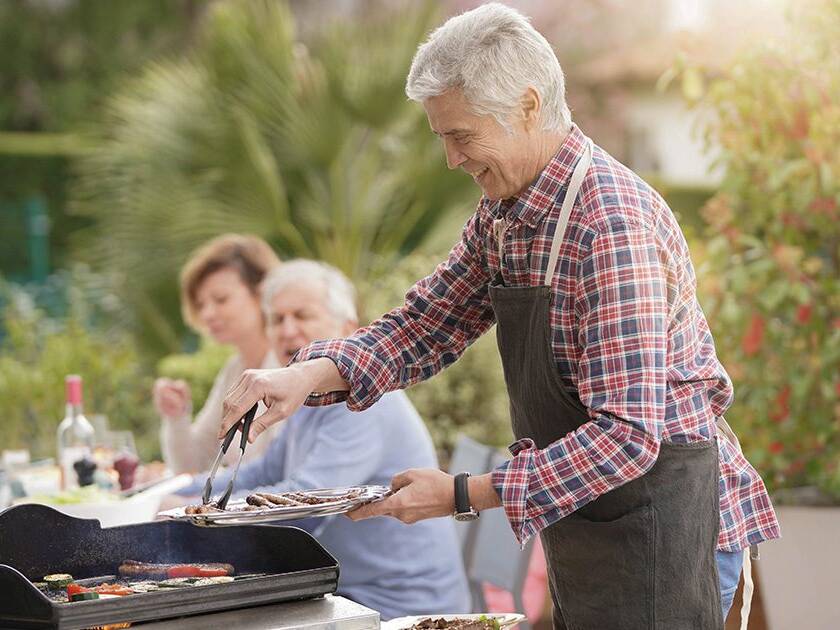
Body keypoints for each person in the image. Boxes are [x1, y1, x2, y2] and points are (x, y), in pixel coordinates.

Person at [219, 5, 780, 628]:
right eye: (442, 138)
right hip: (591, 511)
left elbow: (628, 438)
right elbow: (426, 323)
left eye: (461, 136)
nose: (452, 160)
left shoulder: (610, 227)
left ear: (529, 106)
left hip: (666, 515)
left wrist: (462, 494)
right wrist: (306, 375)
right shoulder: (506, 214)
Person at [173, 260, 470, 620]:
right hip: (344, 590)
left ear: (349, 328)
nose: (287, 330)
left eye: (302, 315)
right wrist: (183, 493)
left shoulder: (366, 402)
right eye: (277, 320)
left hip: (398, 605)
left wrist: (199, 518)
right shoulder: (312, 395)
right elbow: (264, 471)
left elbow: (305, 509)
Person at [154, 234, 281, 474]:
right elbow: (194, 465)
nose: (208, 314)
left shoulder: (288, 363)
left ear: (262, 292)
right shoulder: (235, 369)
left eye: (220, 299)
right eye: (201, 304)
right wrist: (176, 417)